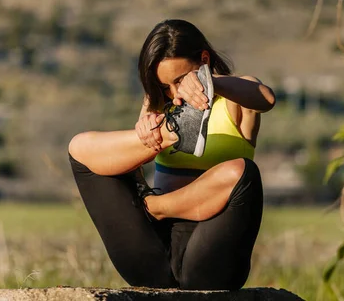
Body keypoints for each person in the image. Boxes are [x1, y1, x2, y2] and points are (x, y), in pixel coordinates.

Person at [68, 19, 276, 290]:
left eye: (180, 80)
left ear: (203, 59)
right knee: (80, 147)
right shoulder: (158, 101)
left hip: (210, 257)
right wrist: (147, 134)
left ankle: (159, 207)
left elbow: (266, 98)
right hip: (153, 253)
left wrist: (208, 83)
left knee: (242, 173)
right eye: (166, 86)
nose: (175, 94)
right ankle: (173, 131)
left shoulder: (236, 96)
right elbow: (129, 165)